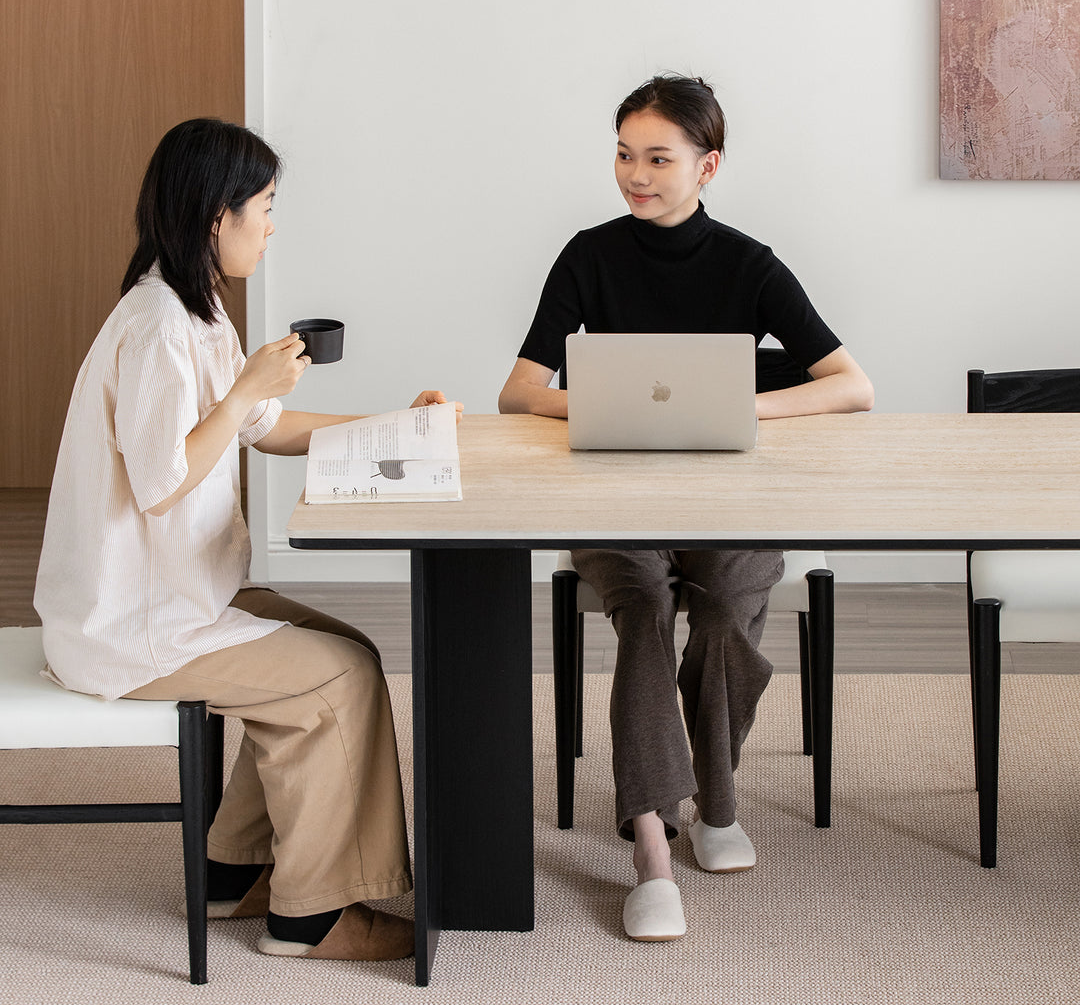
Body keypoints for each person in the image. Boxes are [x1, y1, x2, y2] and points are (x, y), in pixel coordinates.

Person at [34, 118, 461, 963]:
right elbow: (163, 481)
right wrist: (242, 396)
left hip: (180, 593)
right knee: (337, 681)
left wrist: (394, 425)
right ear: (214, 215)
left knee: (342, 646)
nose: (272, 225)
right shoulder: (158, 324)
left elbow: (265, 427)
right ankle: (311, 918)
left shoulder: (197, 309)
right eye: (264, 207)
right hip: (135, 622)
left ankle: (234, 867)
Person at [499, 74, 873, 942]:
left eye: (658, 158)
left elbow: (852, 386)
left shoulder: (748, 262)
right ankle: (650, 849)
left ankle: (717, 802)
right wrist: (608, 405)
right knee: (644, 613)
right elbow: (519, 395)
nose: (636, 174)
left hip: (729, 497)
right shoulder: (588, 254)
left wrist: (745, 406)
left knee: (728, 609)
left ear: (708, 165)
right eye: (625, 154)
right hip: (612, 497)